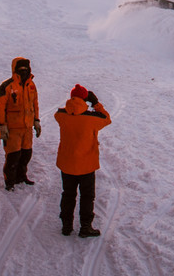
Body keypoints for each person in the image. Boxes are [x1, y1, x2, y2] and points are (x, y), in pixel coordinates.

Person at [55, 84, 111, 237]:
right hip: (86, 164)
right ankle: (85, 226)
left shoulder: (61, 115)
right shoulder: (91, 119)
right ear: (85, 99)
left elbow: (59, 113)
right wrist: (96, 104)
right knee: (87, 196)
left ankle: (66, 226)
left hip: (67, 164)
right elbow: (107, 119)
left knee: (68, 194)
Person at [0, 56, 41, 190]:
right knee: (13, 156)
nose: (23, 70)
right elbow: (0, 108)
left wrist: (36, 121)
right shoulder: (6, 86)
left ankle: (22, 176)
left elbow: (35, 104)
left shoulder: (31, 85)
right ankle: (10, 181)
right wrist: (2, 125)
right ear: (14, 69)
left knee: (26, 154)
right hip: (13, 129)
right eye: (20, 68)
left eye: (25, 68)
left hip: (27, 128)